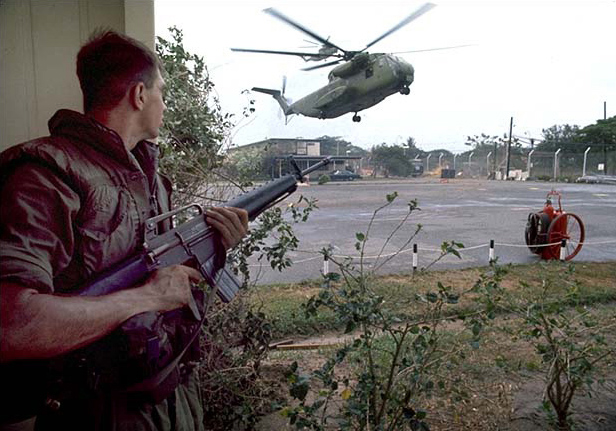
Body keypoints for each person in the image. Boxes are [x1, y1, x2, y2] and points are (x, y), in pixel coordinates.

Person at [0, 30, 248, 430]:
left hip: (169, 396)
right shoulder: (46, 175)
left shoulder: (151, 179)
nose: (165, 105)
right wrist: (145, 297)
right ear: (138, 95)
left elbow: (165, 279)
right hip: (95, 412)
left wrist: (216, 245)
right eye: (162, 93)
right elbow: (12, 324)